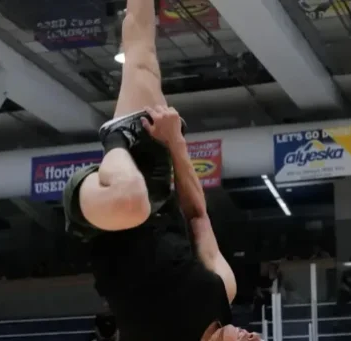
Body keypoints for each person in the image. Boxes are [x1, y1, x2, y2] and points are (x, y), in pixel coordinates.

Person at [61, 0, 258, 339]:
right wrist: (176, 142)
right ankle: (123, 137)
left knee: (130, 200)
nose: (255, 337)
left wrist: (121, 146)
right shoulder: (223, 291)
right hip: (153, 196)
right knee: (143, 64)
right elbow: (198, 216)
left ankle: (115, 139)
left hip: (103, 216)